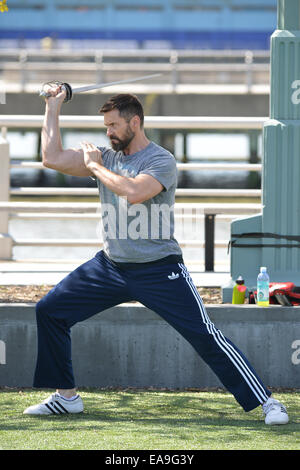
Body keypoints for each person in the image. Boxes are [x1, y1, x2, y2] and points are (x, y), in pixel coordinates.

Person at [23, 85, 288, 425]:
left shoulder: (160, 160)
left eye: (114, 126)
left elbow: (134, 192)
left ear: (134, 123)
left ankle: (267, 402)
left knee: (205, 336)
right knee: (50, 310)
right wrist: (53, 105)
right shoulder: (107, 156)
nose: (108, 132)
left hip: (159, 269)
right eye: (106, 127)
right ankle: (66, 397)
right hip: (111, 266)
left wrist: (95, 167)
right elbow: (52, 158)